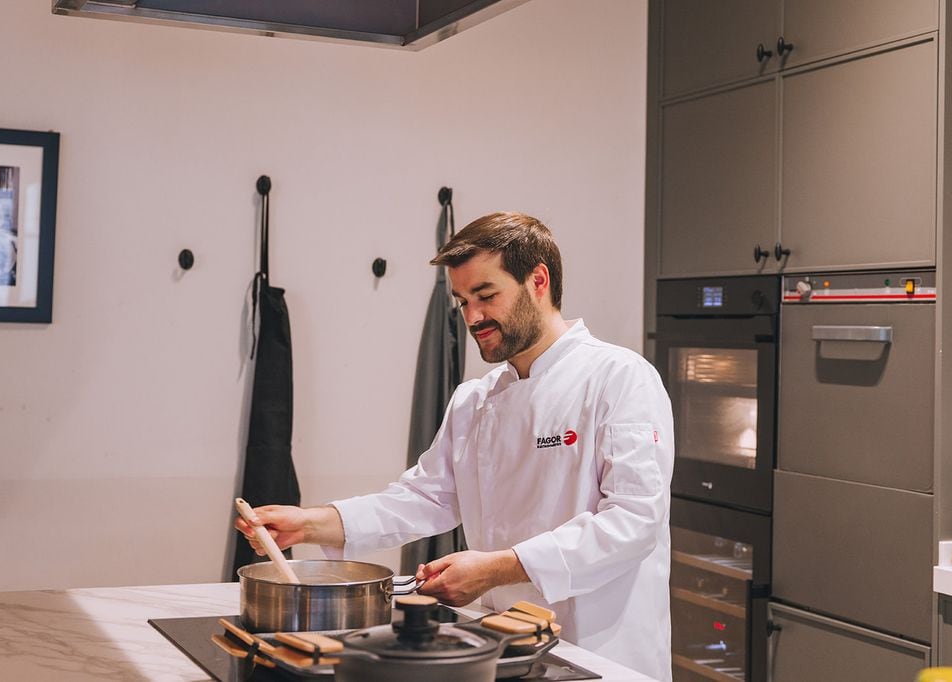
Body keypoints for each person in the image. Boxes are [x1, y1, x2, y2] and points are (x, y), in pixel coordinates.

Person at [235, 212, 674, 680]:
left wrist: (498, 568)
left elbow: (633, 522)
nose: (473, 317)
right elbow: (426, 497)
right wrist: (310, 523)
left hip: (601, 652)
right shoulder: (475, 399)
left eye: (486, 296)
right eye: (462, 302)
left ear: (538, 280)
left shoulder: (619, 378)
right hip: (504, 648)